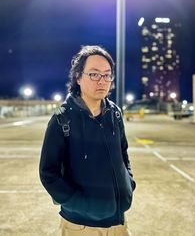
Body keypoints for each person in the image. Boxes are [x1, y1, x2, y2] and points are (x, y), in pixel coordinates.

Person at [39, 45, 136, 236]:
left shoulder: (115, 113)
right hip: (81, 226)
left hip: (118, 221)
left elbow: (123, 152)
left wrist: (129, 183)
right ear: (78, 77)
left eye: (107, 75)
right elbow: (48, 173)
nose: (102, 81)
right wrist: (79, 203)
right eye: (94, 74)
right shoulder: (62, 119)